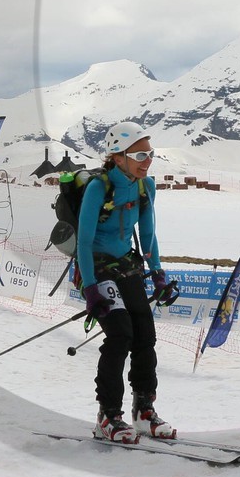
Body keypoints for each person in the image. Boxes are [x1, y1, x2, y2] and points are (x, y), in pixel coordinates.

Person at [78, 122, 175, 444]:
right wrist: (90, 287)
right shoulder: (98, 188)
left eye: (150, 153)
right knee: (120, 335)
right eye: (140, 155)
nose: (148, 160)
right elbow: (83, 242)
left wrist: (157, 272)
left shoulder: (146, 186)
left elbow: (148, 234)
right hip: (97, 267)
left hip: (126, 265)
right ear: (118, 157)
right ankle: (108, 415)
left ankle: (144, 409)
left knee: (145, 334)